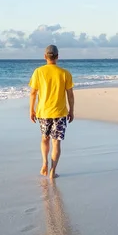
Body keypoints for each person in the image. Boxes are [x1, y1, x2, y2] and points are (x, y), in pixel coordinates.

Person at [29, 45, 74, 179]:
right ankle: (52, 171)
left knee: (44, 138)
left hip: (43, 112)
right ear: (57, 57)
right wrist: (72, 111)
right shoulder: (65, 73)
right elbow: (70, 95)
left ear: (45, 57)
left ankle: (44, 163)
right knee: (56, 142)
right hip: (60, 113)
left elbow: (33, 93)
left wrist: (31, 110)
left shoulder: (38, 72)